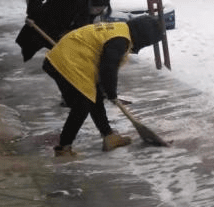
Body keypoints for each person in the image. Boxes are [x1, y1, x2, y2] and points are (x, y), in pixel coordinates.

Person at [42, 16, 164, 157]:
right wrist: (111, 93)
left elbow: (105, 64)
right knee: (83, 104)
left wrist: (105, 90)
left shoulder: (121, 31)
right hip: (68, 62)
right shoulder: (120, 40)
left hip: (70, 59)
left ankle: (109, 136)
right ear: (143, 37)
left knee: (95, 97)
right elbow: (108, 67)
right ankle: (63, 148)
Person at [16, 0, 112, 61]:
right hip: (43, 23)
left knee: (67, 54)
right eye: (97, 9)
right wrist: (31, 15)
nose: (98, 12)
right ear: (89, 3)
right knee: (29, 48)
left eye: (101, 9)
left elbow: (86, 25)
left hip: (62, 28)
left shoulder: (92, 5)